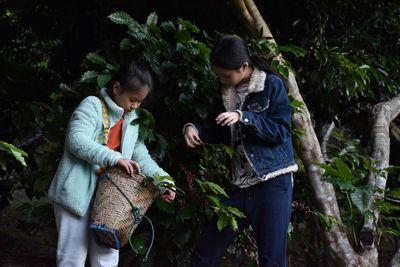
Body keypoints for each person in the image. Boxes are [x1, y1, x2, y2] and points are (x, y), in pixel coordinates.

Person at [183, 35, 297, 267]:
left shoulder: (272, 85)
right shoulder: (228, 93)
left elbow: (280, 132)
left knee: (271, 260)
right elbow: (221, 131)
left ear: (244, 66)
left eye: (226, 75)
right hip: (240, 186)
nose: (223, 80)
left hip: (273, 182)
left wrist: (244, 117)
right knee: (204, 254)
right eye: (219, 75)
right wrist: (193, 129)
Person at [48, 61, 176, 267]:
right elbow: (76, 140)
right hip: (75, 195)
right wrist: (115, 158)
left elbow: (141, 155)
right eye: (133, 99)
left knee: (106, 259)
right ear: (117, 88)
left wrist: (164, 181)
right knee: (72, 258)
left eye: (140, 102)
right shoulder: (92, 105)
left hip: (109, 201)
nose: (135, 106)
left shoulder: (132, 119)